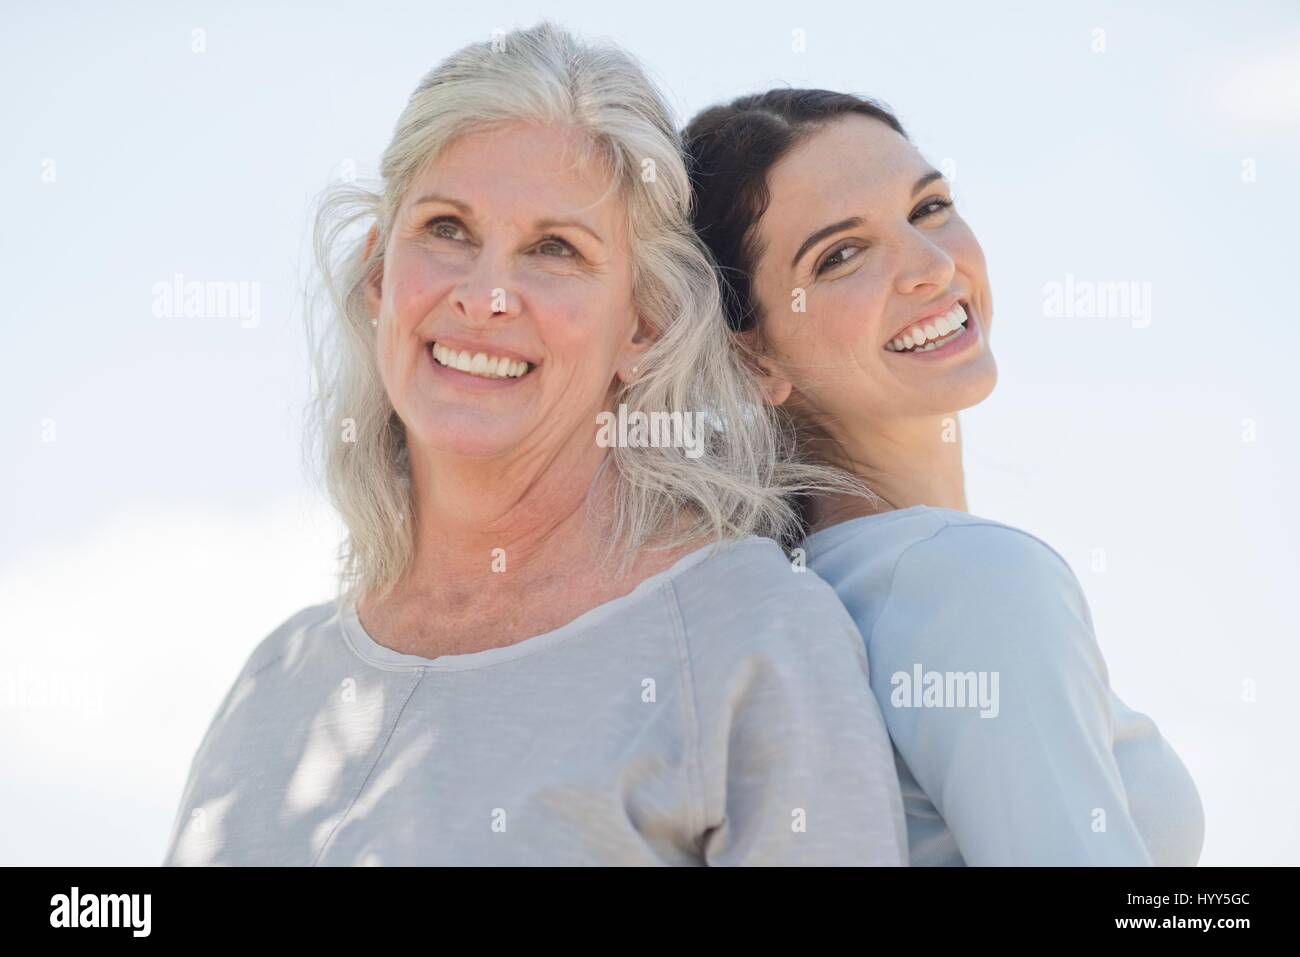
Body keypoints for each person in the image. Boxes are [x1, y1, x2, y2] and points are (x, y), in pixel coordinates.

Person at [162, 29, 907, 866]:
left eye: (555, 249)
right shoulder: (277, 681)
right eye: (447, 228)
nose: (484, 296)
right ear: (379, 277)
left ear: (645, 325)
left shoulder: (748, 633)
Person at [683, 89, 1204, 865]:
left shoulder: (802, 591)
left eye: (928, 208)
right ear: (752, 356)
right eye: (841, 255)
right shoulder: (970, 578)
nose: (930, 267)